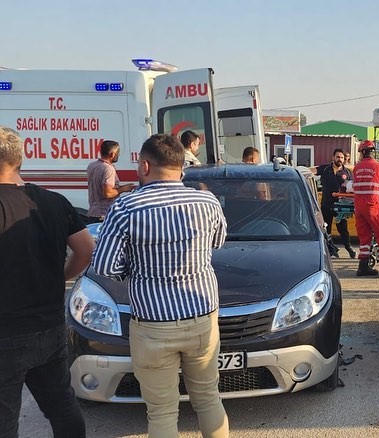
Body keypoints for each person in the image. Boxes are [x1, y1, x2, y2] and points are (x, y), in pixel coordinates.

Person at [92, 133, 229, 437]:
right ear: (181, 167)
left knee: (162, 411)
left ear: (144, 165)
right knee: (208, 399)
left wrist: (138, 268)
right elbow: (217, 242)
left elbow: (104, 266)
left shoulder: (126, 208)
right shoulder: (207, 201)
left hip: (153, 325)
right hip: (202, 319)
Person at [0, 126, 95, 438]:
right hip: (49, 326)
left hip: (6, 332)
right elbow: (85, 250)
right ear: (20, 160)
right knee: (62, 406)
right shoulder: (54, 202)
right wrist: (61, 275)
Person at [353, 139, 379, 277]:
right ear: (372, 152)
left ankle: (363, 266)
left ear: (362, 152)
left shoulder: (357, 168)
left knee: (364, 238)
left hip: (358, 207)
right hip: (373, 206)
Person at [313, 148, 356, 259]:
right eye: (338, 157)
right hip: (327, 204)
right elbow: (312, 170)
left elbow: (351, 187)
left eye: (342, 157)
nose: (340, 159)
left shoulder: (347, 172)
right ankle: (331, 250)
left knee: (343, 229)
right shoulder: (326, 169)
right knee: (326, 229)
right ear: (333, 157)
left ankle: (349, 248)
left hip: (341, 205)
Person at [86, 139, 134, 221]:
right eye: (117, 153)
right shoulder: (108, 168)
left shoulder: (92, 165)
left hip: (93, 213)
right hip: (104, 215)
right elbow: (108, 193)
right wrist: (124, 189)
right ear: (112, 154)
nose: (118, 155)